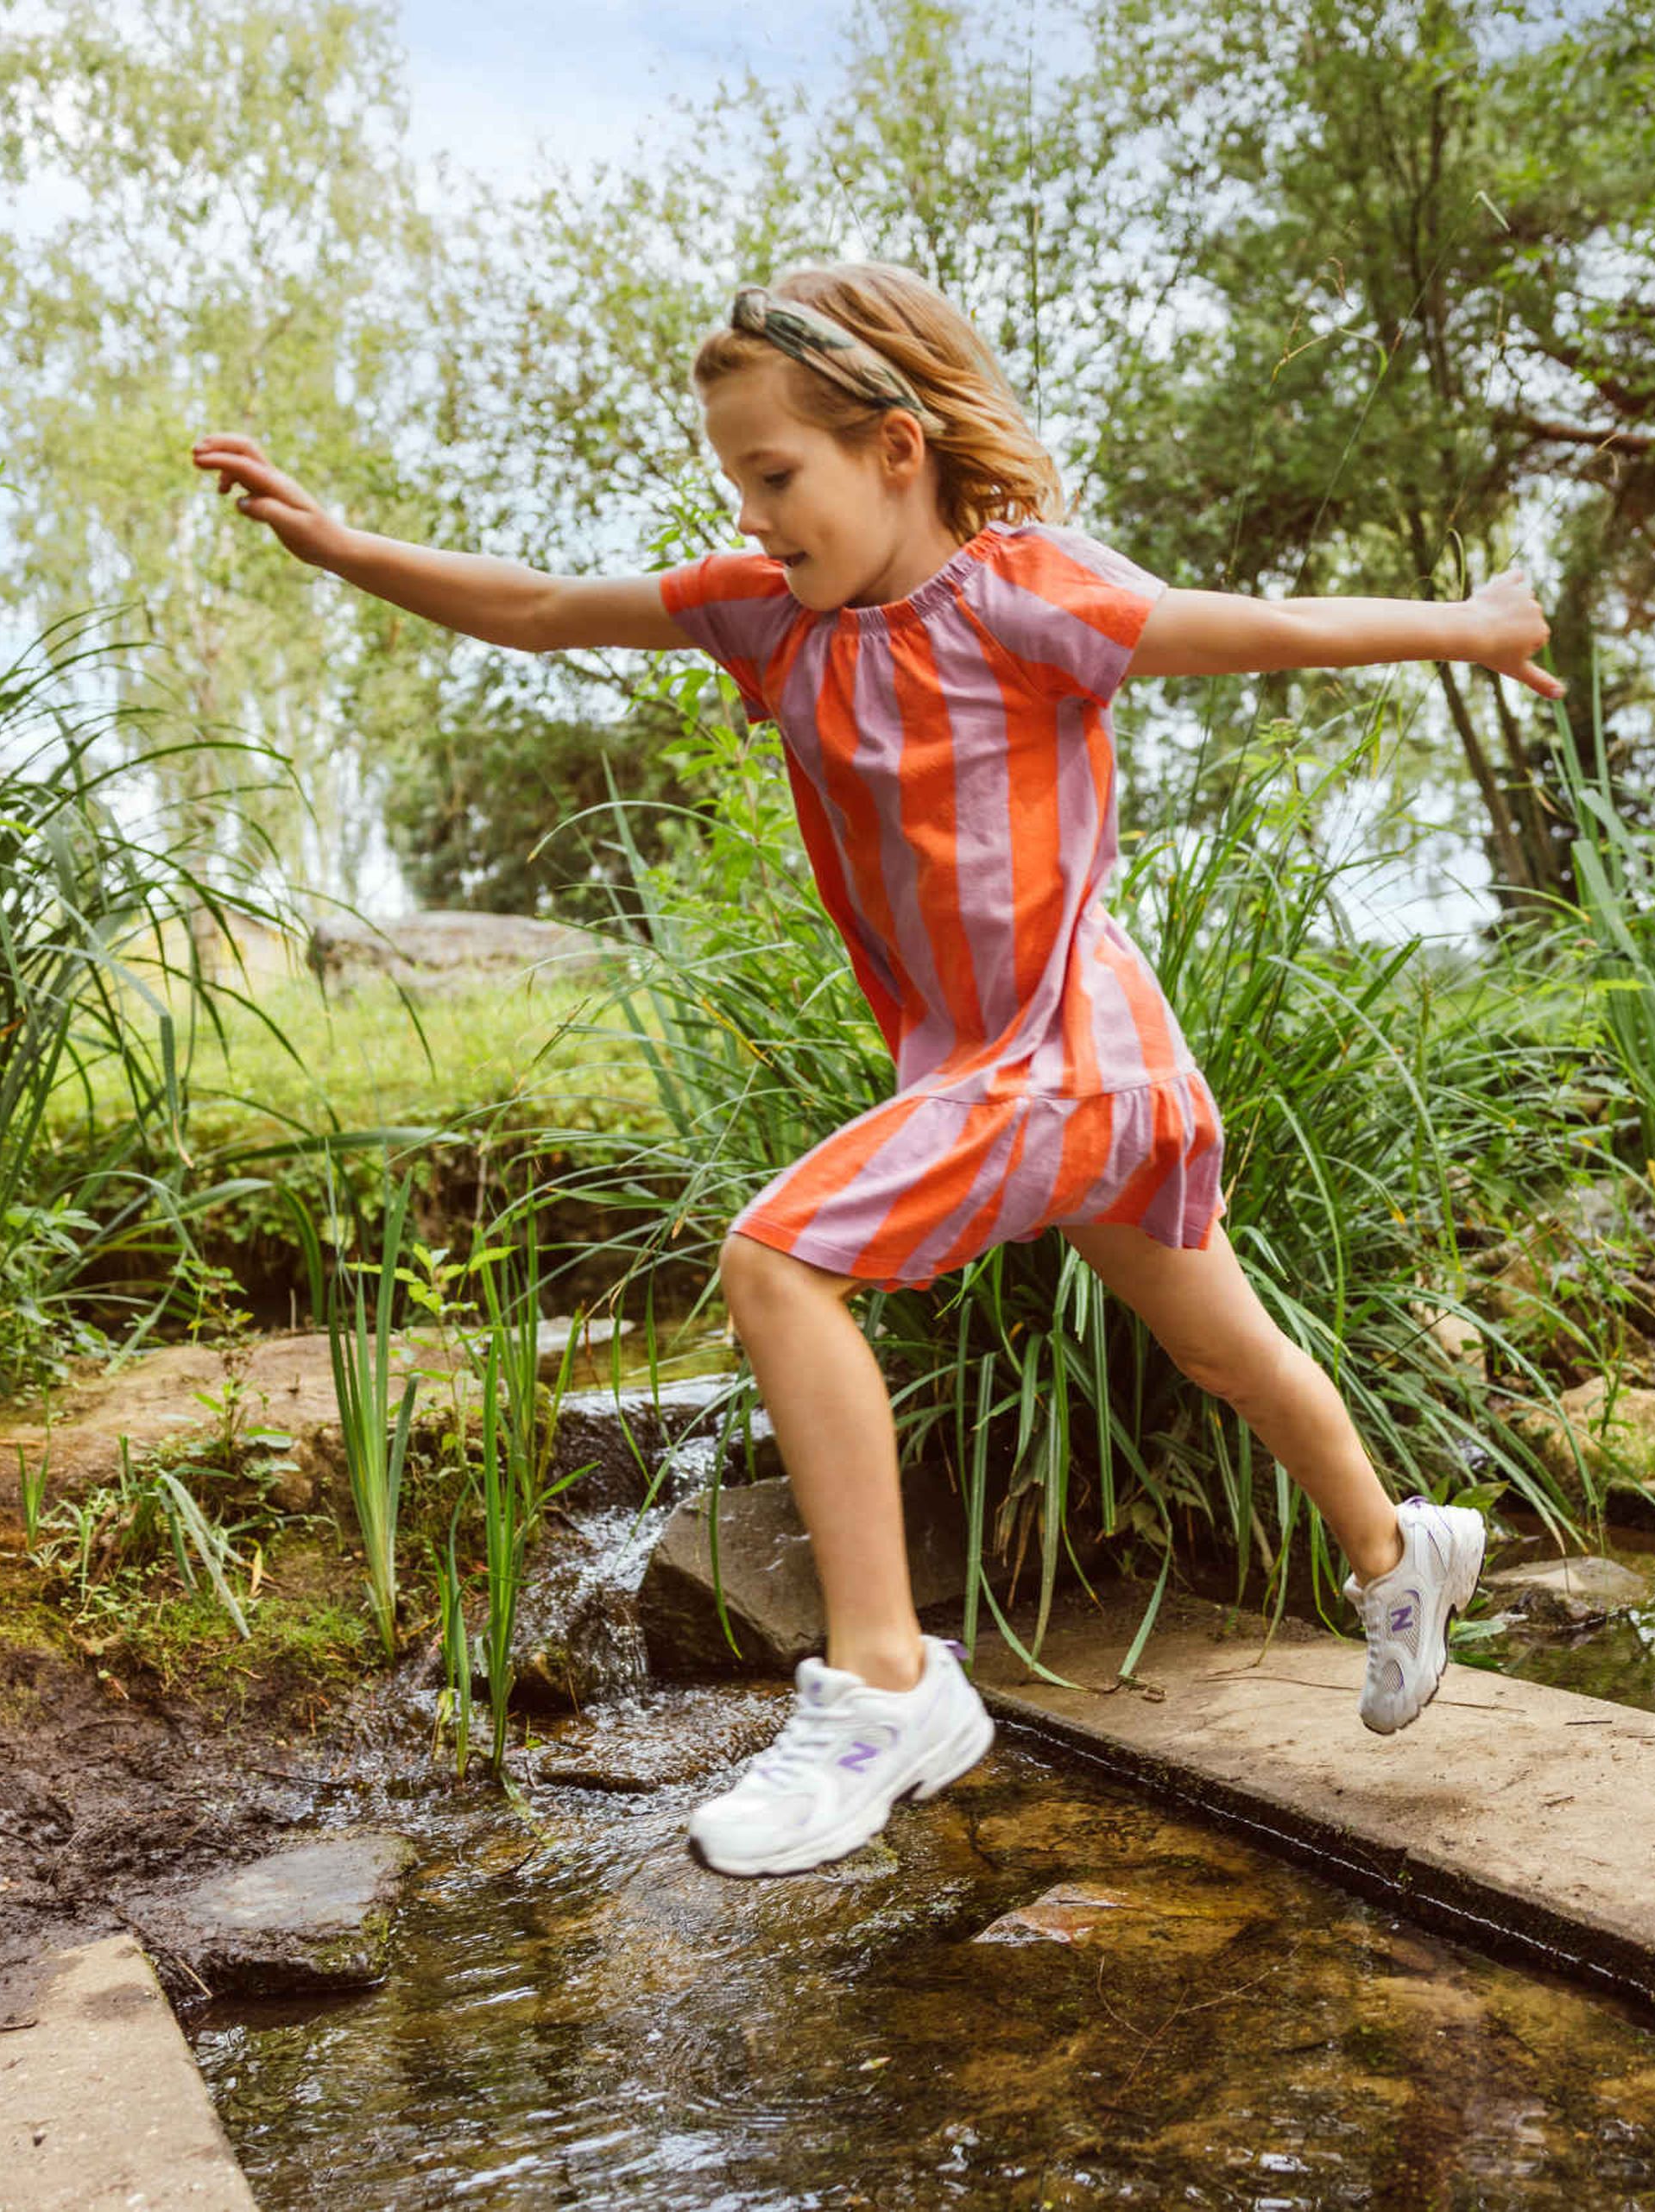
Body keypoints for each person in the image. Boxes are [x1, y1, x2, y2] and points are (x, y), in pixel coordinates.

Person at [191, 262, 1565, 1879]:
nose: (760, 517)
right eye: (739, 486)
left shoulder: (1025, 599)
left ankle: (888, 1686)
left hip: (1070, 1053)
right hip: (1034, 1071)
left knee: (777, 1258)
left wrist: (1467, 626)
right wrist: (343, 545)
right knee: (1226, 1351)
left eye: (780, 476)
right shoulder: (769, 621)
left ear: (897, 448)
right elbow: (544, 607)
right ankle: (1400, 1549)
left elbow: (1264, 630)